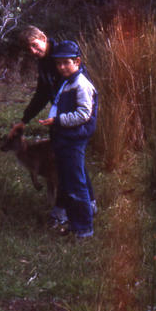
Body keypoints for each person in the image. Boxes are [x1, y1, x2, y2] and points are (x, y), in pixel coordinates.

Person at [10, 27, 95, 228]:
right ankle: (89, 206)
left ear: (43, 38)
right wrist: (25, 119)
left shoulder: (63, 58)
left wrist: (60, 121)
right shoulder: (44, 63)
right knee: (74, 165)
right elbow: (42, 93)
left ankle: (65, 213)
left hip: (73, 123)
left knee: (65, 168)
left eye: (34, 45)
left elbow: (80, 93)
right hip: (61, 120)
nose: (32, 51)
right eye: (27, 48)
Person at [39, 40, 98, 238]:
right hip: (65, 138)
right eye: (58, 64)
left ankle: (84, 229)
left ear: (77, 62)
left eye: (66, 62)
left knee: (76, 184)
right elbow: (57, 103)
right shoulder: (67, 82)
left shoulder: (81, 84)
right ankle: (75, 224)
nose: (62, 67)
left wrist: (58, 120)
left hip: (75, 139)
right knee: (67, 182)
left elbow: (83, 114)